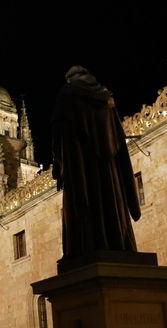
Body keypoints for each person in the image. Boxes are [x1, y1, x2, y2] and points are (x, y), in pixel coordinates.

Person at [52, 66, 141, 263]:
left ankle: (84, 248)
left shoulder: (67, 94)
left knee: (85, 205)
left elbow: (60, 133)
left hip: (80, 166)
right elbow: (118, 136)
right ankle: (117, 242)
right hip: (109, 167)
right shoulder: (105, 98)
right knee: (110, 202)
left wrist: (59, 166)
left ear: (70, 79)